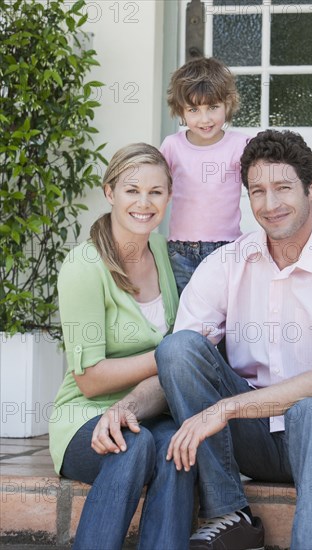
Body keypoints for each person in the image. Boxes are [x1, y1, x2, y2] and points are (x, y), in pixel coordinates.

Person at [156, 130, 312, 550]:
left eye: (283, 188)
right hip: (257, 438)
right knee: (177, 348)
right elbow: (178, 360)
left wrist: (226, 408)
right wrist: (125, 407)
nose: (270, 205)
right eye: (258, 191)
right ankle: (231, 514)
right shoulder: (228, 262)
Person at [49, 143, 196, 550]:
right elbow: (91, 379)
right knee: (135, 445)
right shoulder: (84, 266)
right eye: (132, 190)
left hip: (149, 408)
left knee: (179, 445)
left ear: (168, 197)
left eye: (156, 192)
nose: (144, 203)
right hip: (84, 417)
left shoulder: (163, 252)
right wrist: (168, 357)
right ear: (110, 192)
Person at [160, 56, 251, 294]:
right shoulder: (172, 146)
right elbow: (156, 188)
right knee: (186, 313)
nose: (205, 119)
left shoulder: (240, 145)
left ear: (227, 104)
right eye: (194, 109)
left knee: (224, 314)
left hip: (226, 248)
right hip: (181, 250)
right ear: (180, 111)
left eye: (212, 107)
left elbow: (260, 184)